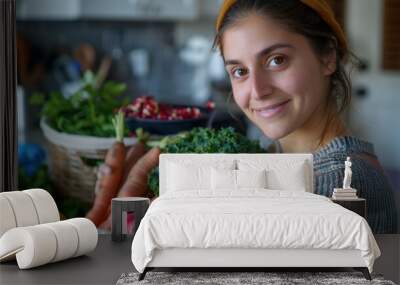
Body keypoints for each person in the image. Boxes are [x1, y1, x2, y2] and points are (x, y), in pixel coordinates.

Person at [214, 0, 397, 233]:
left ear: (328, 57)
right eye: (240, 71)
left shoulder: (339, 181)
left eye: (277, 60)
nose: (258, 91)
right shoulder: (275, 153)